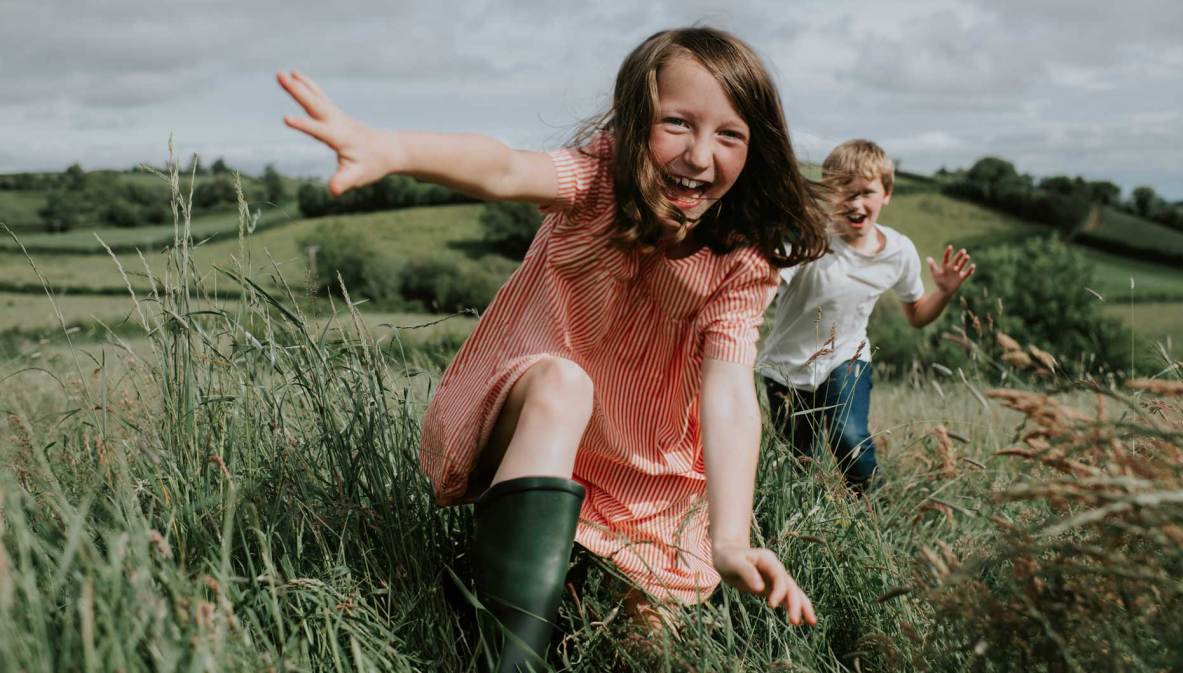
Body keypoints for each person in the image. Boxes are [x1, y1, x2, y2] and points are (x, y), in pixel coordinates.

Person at [279, 26, 826, 671]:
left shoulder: (742, 257)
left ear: (757, 147)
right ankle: (506, 660)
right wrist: (391, 148)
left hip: (642, 465)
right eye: (677, 123)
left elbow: (730, 390)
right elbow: (505, 167)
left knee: (648, 646)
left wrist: (730, 538)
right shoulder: (596, 179)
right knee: (566, 383)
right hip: (531, 408)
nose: (700, 157)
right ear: (633, 121)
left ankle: (566, 580)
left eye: (729, 135)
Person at [758, 139, 976, 494]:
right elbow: (763, 289)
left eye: (866, 192)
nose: (856, 203)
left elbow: (918, 315)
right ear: (828, 195)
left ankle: (872, 509)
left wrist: (945, 292)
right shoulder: (809, 239)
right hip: (786, 367)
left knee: (850, 438)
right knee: (798, 466)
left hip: (847, 357)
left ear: (886, 194)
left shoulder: (899, 251)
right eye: (844, 192)